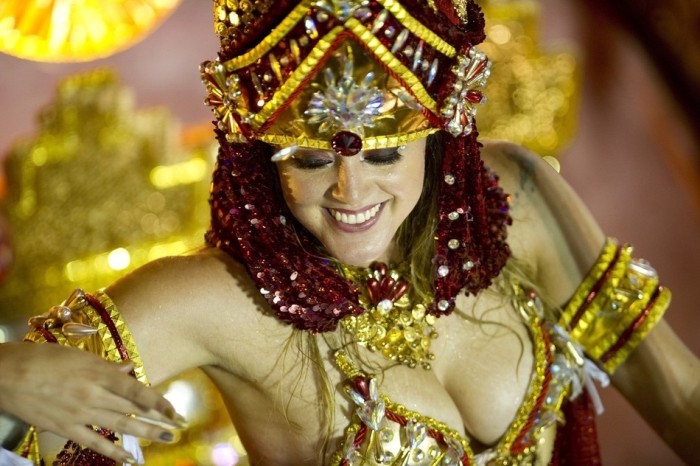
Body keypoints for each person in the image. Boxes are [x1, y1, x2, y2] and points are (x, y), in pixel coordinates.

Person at [1, 0, 699, 464]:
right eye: (308, 160)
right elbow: (29, 426)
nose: (350, 192)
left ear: (442, 129)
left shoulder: (514, 198)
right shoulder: (215, 301)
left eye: (386, 153)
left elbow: (678, 394)